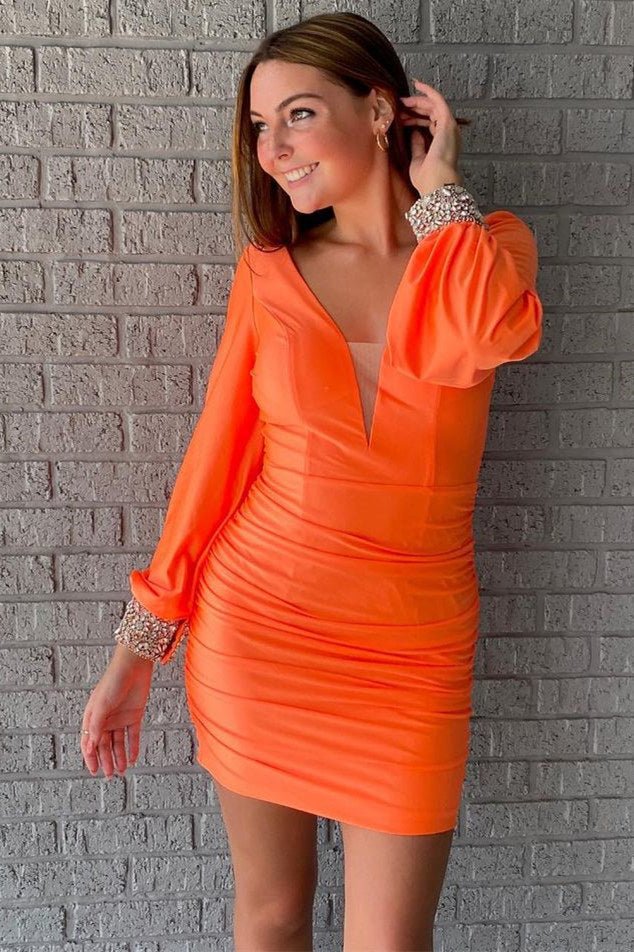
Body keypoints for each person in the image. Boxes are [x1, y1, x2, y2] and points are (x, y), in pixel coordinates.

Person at [81, 12, 543, 951]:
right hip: (261, 632)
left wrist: (439, 191)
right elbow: (215, 460)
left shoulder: (485, 248)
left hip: (414, 652)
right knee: (273, 915)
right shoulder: (270, 274)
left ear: (379, 110)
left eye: (298, 114)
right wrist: (138, 647)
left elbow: (493, 333)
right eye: (260, 126)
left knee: (391, 941)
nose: (274, 148)